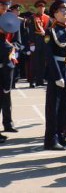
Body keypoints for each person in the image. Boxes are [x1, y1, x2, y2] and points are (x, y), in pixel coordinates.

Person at [43, 0, 66, 150]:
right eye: (62, 9)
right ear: (55, 13)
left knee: (65, 106)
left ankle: (62, 136)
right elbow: (49, 56)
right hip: (57, 72)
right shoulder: (51, 31)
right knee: (54, 108)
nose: (65, 12)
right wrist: (57, 76)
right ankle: (51, 140)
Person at [0, 9, 21, 145]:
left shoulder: (12, 20)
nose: (4, 6)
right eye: (2, 3)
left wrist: (12, 47)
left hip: (8, 63)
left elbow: (18, 42)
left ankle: (8, 123)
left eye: (6, 4)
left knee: (6, 94)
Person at [26, 0, 50, 88]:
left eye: (43, 7)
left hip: (44, 41)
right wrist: (32, 43)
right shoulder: (33, 17)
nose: (41, 9)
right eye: (39, 7)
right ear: (37, 8)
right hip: (36, 41)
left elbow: (49, 31)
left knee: (43, 62)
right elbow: (31, 31)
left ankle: (40, 80)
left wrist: (48, 42)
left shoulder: (47, 18)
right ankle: (32, 81)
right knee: (34, 62)